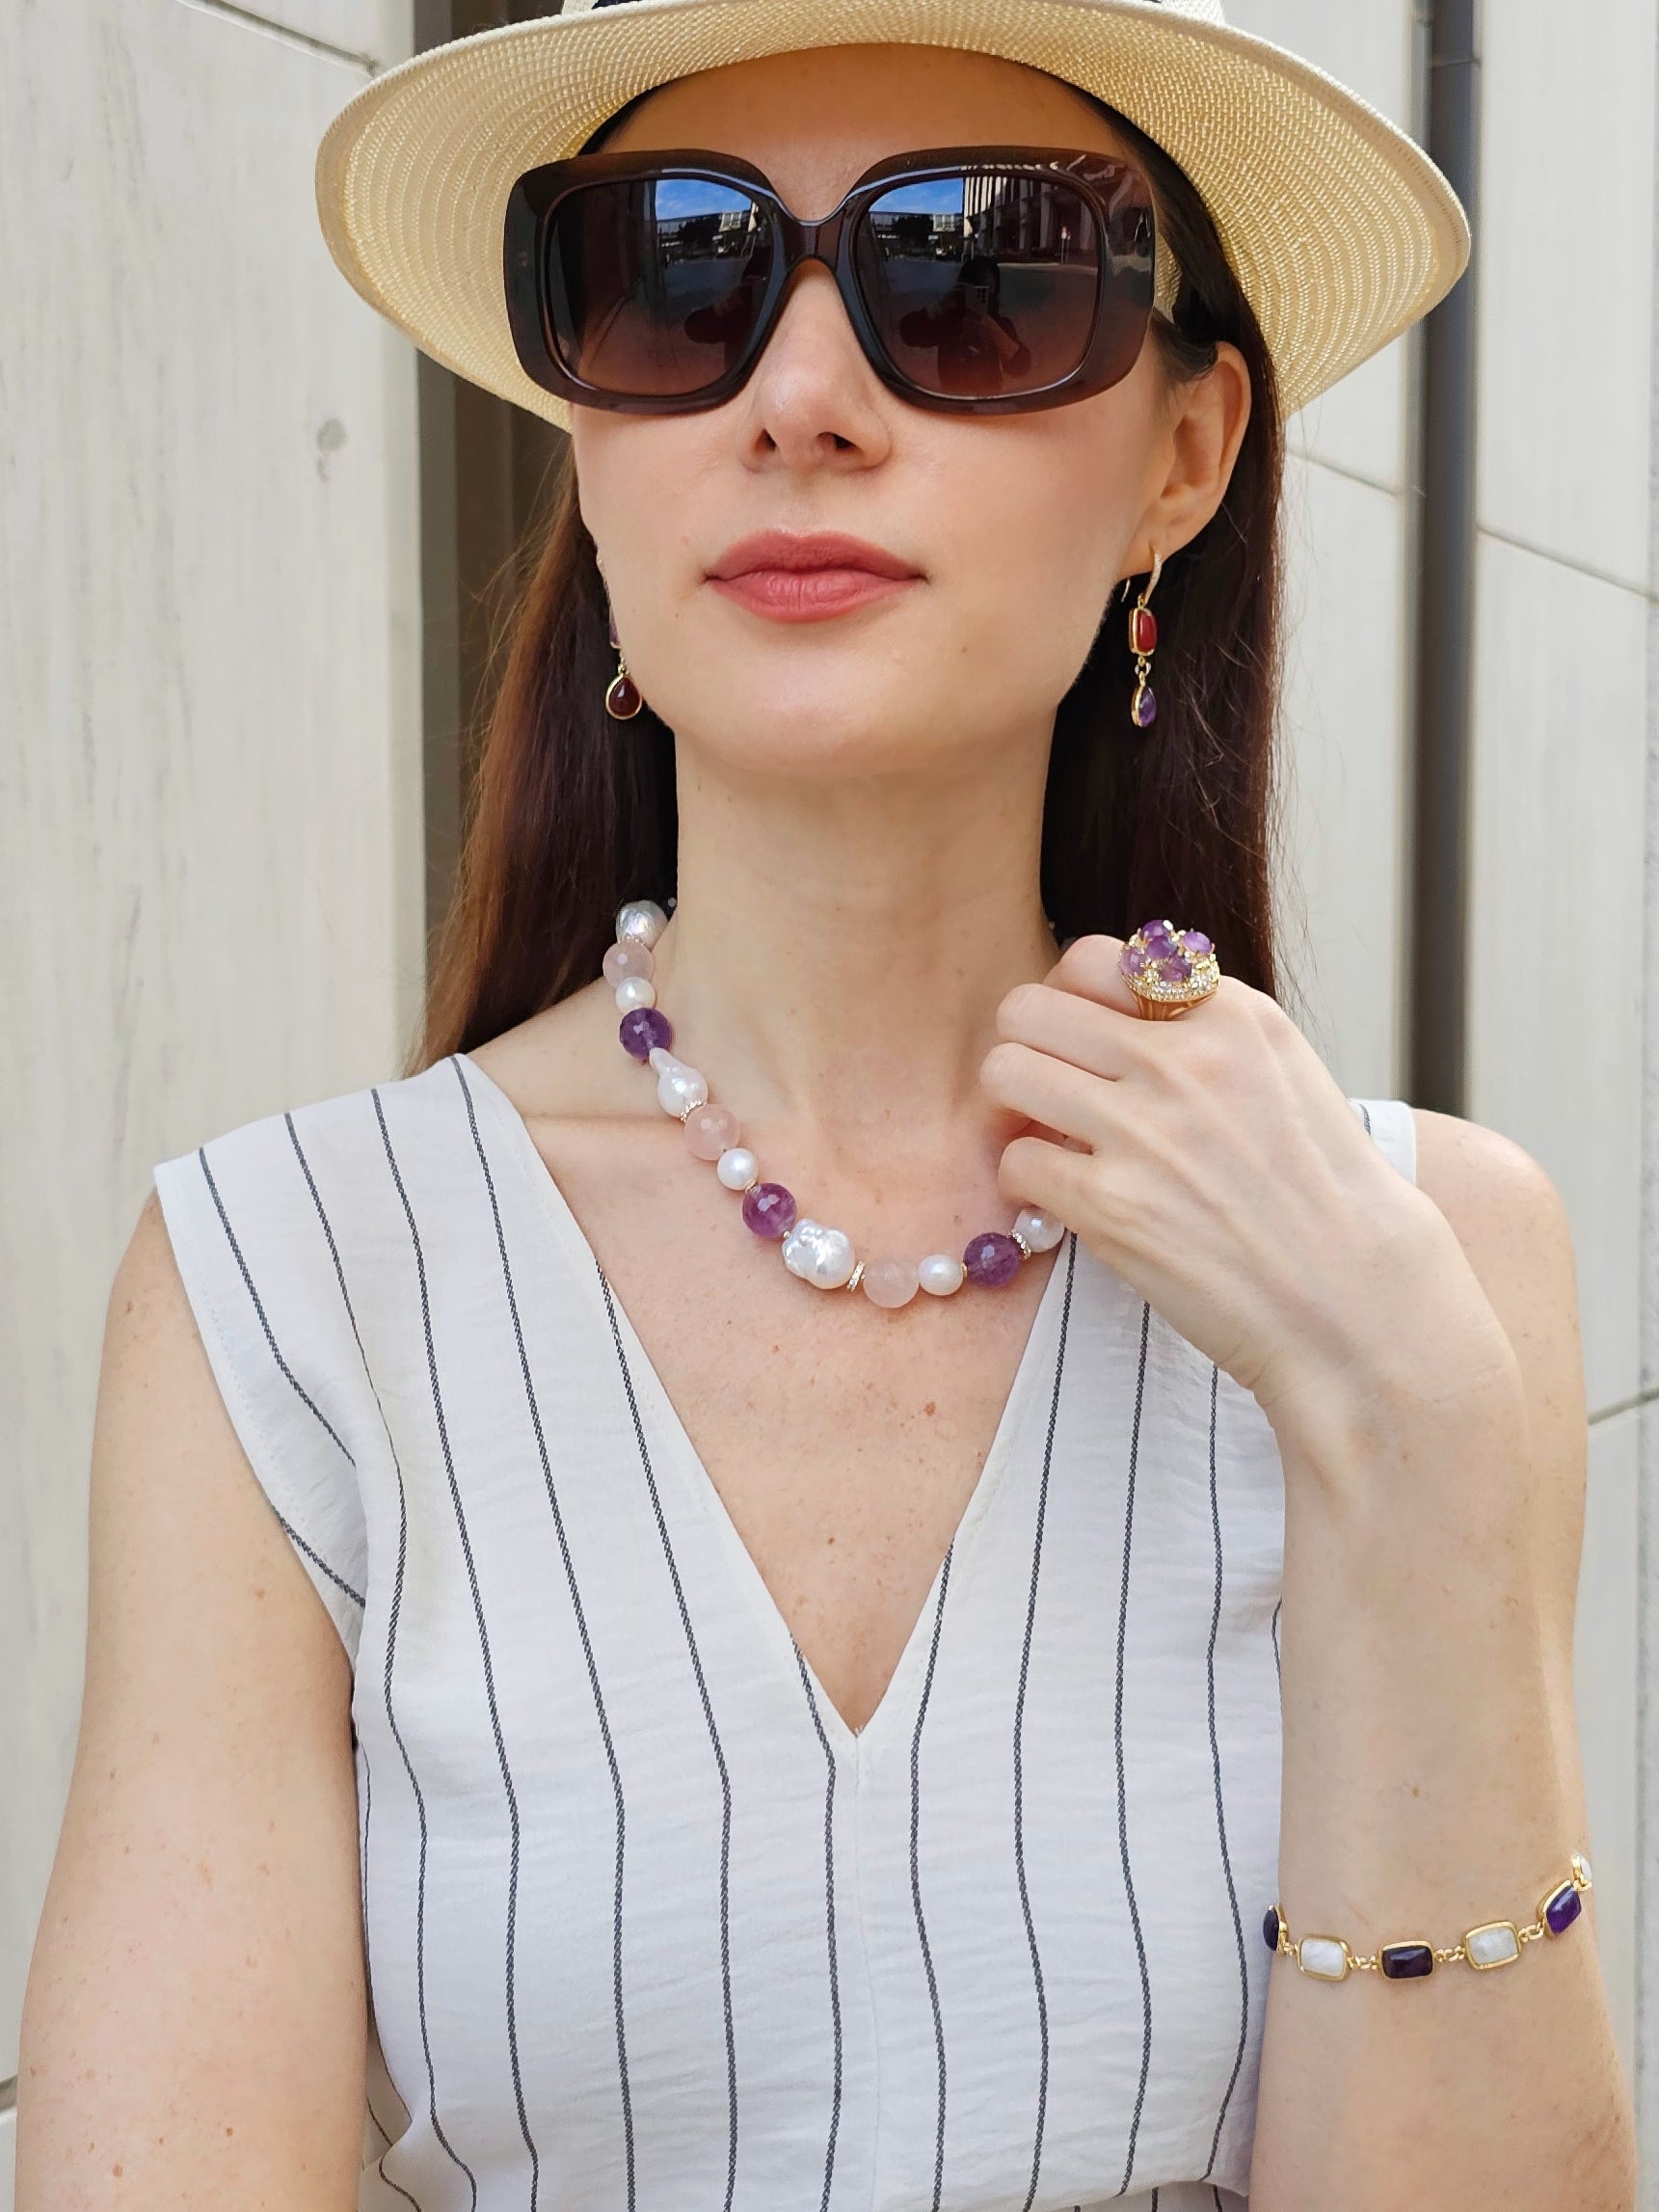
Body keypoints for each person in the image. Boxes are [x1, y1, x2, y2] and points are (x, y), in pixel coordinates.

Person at [18, 2, 1639, 2206]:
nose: (796, 402)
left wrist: (1404, 1420)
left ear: (1188, 455)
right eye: (675, 276)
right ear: (584, 443)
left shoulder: (1435, 1262)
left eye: (975, 281)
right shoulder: (288, 1292)